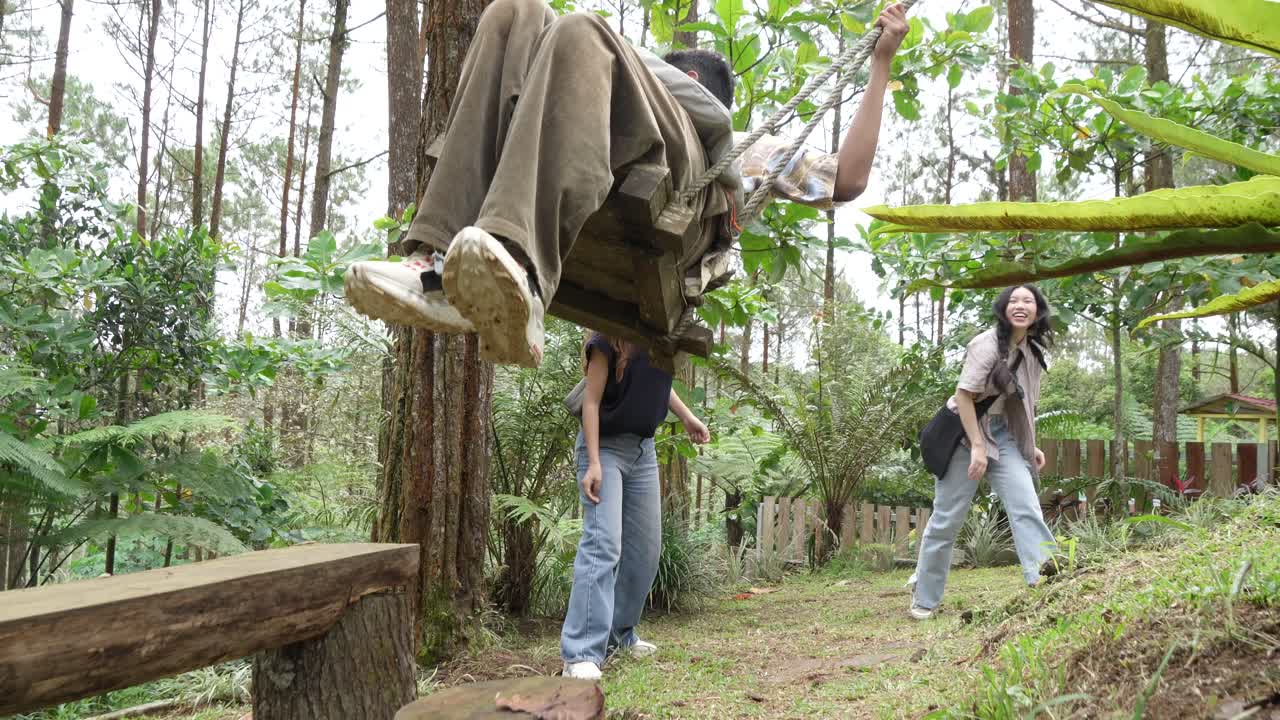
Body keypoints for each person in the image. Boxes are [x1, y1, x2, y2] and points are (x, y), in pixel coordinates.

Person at [344, 0, 909, 367]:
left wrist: (880, 63)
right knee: (511, 12)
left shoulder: (751, 148)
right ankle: (433, 261)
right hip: (598, 166)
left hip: (681, 197)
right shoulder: (579, 104)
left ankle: (520, 262)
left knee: (581, 29)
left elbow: (849, 179)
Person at [560, 332, 709, 680]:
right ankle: (580, 653)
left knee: (645, 551)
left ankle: (619, 636)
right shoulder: (605, 339)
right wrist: (594, 463)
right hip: (604, 449)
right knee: (603, 544)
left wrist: (686, 417)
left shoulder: (662, 337)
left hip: (643, 451)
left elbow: (658, 384)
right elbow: (591, 402)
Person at [909, 285, 1056, 620]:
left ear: (1038, 310)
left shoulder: (1032, 352)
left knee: (1026, 506)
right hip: (966, 432)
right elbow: (964, 397)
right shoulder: (986, 344)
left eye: (1028, 301)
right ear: (1003, 308)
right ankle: (925, 596)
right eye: (1013, 301)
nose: (1020, 306)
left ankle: (1047, 582)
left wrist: (1028, 444)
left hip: (1003, 435)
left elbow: (1024, 404)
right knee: (947, 519)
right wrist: (977, 445)